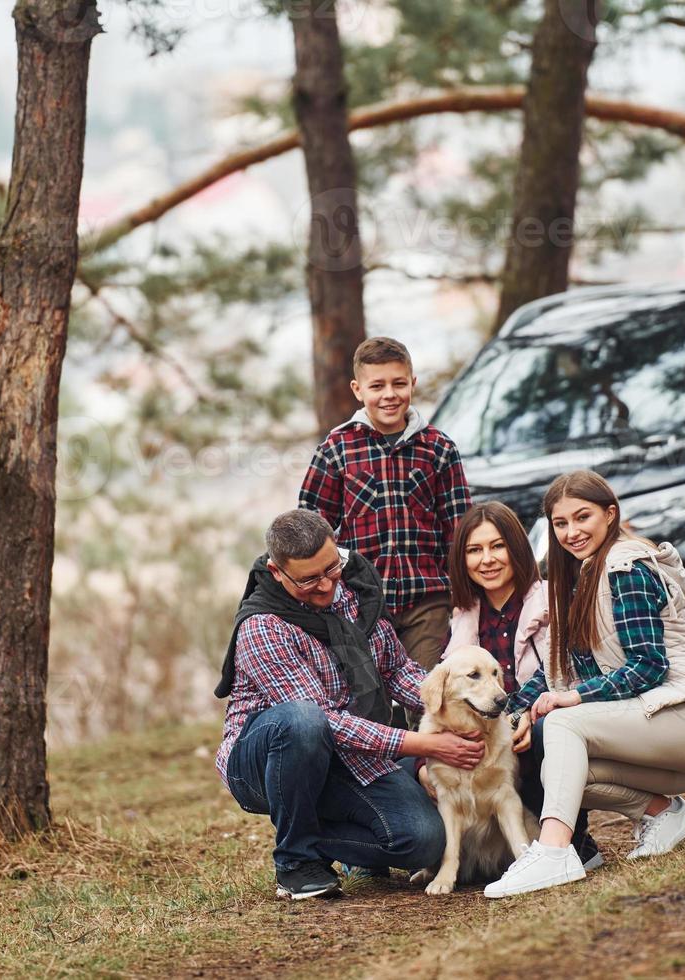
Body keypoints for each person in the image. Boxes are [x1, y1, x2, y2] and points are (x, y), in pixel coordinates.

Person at [483, 470, 685, 899]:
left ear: (610, 514)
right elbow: (555, 674)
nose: (572, 532)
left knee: (563, 725)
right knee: (561, 767)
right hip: (652, 723)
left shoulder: (626, 567)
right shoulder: (577, 581)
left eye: (582, 517)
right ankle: (663, 813)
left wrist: (572, 699)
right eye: (560, 523)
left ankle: (555, 852)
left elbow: (648, 666)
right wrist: (516, 714)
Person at [214, 509, 486, 900]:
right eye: (309, 579)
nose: (326, 587)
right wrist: (423, 744)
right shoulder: (264, 626)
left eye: (331, 569)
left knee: (425, 841)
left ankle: (322, 830)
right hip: (266, 761)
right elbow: (325, 722)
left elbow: (397, 671)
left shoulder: (356, 593)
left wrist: (462, 699)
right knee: (304, 721)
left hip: (350, 757)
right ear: (277, 572)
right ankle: (296, 860)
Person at [430, 500, 601, 870]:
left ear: (517, 548)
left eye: (497, 546)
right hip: (486, 740)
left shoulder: (553, 599)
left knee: (544, 731)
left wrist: (520, 711)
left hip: (542, 720)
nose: (486, 560)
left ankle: (574, 841)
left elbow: (564, 666)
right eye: (474, 550)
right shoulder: (462, 618)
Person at [298, 337, 472, 676]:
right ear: (358, 389)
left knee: (424, 693)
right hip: (362, 604)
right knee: (372, 701)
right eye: (377, 385)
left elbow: (459, 527)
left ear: (413, 383)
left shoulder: (438, 448)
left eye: (398, 383)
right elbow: (311, 526)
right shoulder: (337, 449)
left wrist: (463, 595)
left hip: (428, 599)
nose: (389, 395)